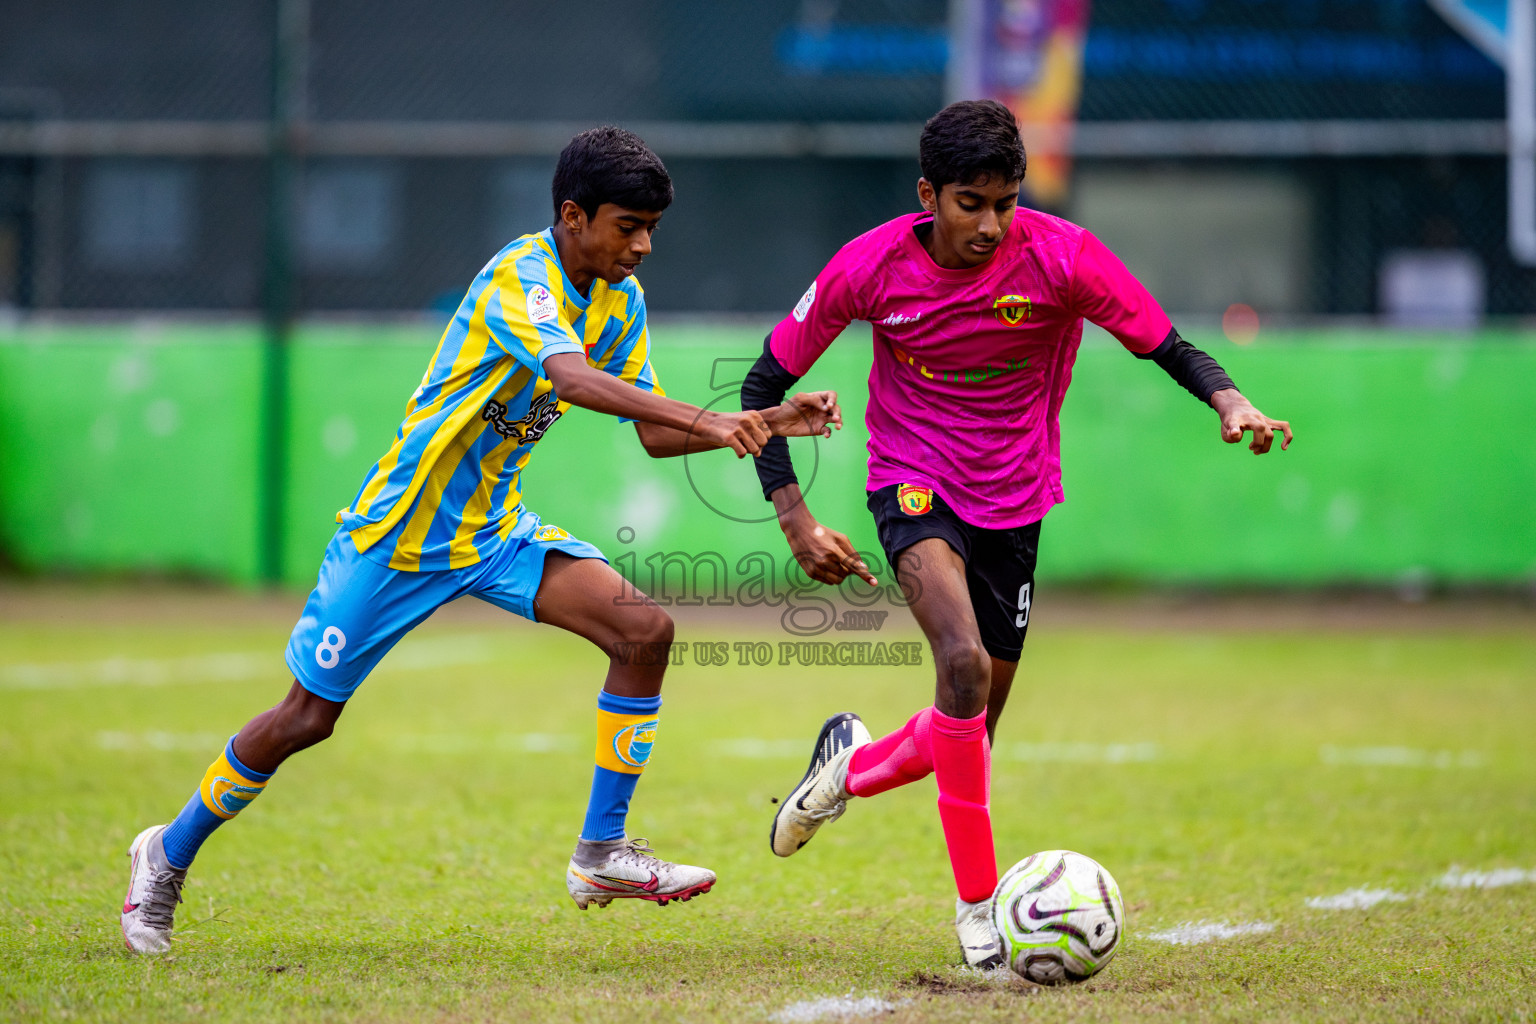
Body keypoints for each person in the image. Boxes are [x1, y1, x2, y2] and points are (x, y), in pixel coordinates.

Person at [120, 126, 842, 954]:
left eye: (652, 229)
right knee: (305, 719)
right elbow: (571, 380)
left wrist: (769, 421)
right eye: (627, 226)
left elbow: (649, 432)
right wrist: (717, 415)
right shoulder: (521, 275)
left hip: (493, 534)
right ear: (572, 215)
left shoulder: (621, 300)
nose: (642, 245)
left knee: (645, 630)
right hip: (397, 536)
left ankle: (601, 852)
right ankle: (165, 854)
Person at [740, 100, 1291, 968]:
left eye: (1005, 202)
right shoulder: (870, 265)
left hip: (1016, 500)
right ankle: (978, 919)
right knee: (957, 665)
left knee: (967, 730)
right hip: (912, 482)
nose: (992, 225)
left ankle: (845, 770)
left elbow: (1165, 342)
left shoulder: (1064, 256)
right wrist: (794, 514)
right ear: (929, 195)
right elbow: (764, 379)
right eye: (970, 203)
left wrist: (1229, 400)